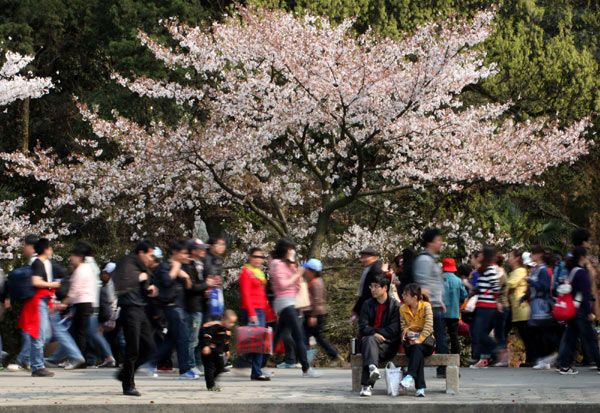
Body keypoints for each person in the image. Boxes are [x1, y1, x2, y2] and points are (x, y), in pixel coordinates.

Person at [270, 238, 321, 378]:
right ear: (286, 250)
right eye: (291, 249)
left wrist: (296, 271)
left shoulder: (289, 265)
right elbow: (282, 285)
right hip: (284, 302)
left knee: (277, 336)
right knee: (299, 335)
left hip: (292, 303)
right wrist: (297, 274)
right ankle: (306, 368)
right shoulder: (276, 264)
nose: (293, 251)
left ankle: (259, 364)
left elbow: (297, 285)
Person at [113, 240, 159, 396]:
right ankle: (128, 385)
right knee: (132, 348)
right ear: (141, 253)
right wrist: (139, 278)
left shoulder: (141, 266)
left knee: (149, 347)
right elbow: (121, 282)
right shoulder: (127, 263)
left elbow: (145, 283)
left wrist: (150, 287)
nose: (151, 258)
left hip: (140, 309)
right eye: (150, 255)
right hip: (129, 309)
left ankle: (125, 373)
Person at [145, 240, 196, 379]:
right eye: (183, 253)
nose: (185, 255)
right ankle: (184, 370)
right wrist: (176, 269)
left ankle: (150, 361)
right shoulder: (165, 266)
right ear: (174, 252)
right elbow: (166, 281)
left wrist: (185, 276)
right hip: (171, 307)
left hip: (180, 306)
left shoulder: (182, 267)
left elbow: (188, 287)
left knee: (171, 341)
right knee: (183, 339)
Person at [18, 238, 61, 377]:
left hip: (41, 301)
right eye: (50, 248)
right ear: (46, 249)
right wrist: (52, 284)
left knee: (43, 334)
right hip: (37, 302)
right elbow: (35, 281)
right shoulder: (37, 263)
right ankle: (37, 366)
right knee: (38, 334)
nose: (51, 251)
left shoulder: (40, 263)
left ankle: (28, 360)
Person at [557, 246, 600, 375]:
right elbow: (585, 294)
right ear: (582, 257)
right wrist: (588, 312)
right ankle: (598, 363)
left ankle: (564, 365)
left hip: (573, 309)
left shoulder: (572, 271)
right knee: (590, 338)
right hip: (581, 310)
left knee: (570, 338)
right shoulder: (581, 273)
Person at [412, 229, 447, 378]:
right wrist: (430, 305)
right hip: (430, 306)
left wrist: (439, 301)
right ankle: (444, 367)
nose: (440, 243)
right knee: (437, 338)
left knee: (439, 337)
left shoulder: (431, 260)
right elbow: (423, 286)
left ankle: (443, 368)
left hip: (435, 304)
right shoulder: (424, 261)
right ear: (430, 242)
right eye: (438, 240)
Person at [358, 275, 400, 397]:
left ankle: (367, 385)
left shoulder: (395, 306)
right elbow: (363, 326)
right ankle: (372, 369)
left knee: (369, 341)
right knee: (369, 342)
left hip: (388, 345)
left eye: (376, 286)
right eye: (371, 286)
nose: (373, 289)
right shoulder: (367, 304)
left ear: (385, 288)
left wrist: (375, 334)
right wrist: (375, 334)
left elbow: (394, 329)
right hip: (370, 343)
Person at [238, 247, 272, 381]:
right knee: (257, 342)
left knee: (258, 342)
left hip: (261, 310)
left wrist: (268, 312)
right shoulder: (246, 272)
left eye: (261, 257)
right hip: (251, 310)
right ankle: (255, 370)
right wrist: (252, 313)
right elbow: (245, 294)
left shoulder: (259, 273)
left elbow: (262, 295)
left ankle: (253, 368)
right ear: (249, 257)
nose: (258, 259)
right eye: (255, 256)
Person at [7, 234, 38, 372]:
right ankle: (27, 360)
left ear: (32, 247)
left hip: (37, 301)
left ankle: (23, 359)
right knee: (29, 331)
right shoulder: (34, 262)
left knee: (31, 332)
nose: (23, 248)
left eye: (25, 245)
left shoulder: (37, 263)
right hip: (32, 301)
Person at [302, 258, 342, 366]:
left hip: (316, 314)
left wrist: (313, 316)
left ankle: (306, 359)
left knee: (308, 336)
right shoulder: (316, 282)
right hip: (315, 313)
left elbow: (317, 300)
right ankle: (332, 355)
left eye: (307, 270)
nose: (305, 271)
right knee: (313, 336)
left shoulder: (316, 283)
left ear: (313, 272)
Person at [184, 238, 215, 377]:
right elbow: (190, 288)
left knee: (203, 336)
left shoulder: (202, 263)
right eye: (200, 248)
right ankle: (190, 365)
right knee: (193, 338)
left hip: (204, 305)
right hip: (193, 306)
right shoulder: (188, 265)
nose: (203, 250)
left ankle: (197, 362)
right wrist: (206, 285)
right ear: (193, 250)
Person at [526, 245, 561, 370]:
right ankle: (544, 357)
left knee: (544, 332)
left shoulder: (543, 270)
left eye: (533, 253)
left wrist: (531, 281)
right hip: (535, 304)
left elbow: (545, 286)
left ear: (539, 255)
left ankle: (550, 356)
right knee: (538, 332)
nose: (531, 256)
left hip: (542, 305)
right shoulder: (535, 269)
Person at [399, 283, 435, 397]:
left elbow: (429, 326)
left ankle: (411, 377)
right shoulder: (402, 309)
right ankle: (419, 388)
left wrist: (419, 339)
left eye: (406, 295)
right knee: (416, 350)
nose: (403, 297)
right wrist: (408, 333)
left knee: (418, 348)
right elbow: (403, 326)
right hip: (410, 343)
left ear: (414, 297)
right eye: (403, 295)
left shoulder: (426, 306)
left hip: (426, 343)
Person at [470, 245, 500, 369]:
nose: (479, 255)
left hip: (488, 306)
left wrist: (497, 301)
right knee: (481, 332)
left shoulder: (491, 269)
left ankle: (498, 350)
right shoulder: (484, 269)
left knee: (480, 333)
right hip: (482, 305)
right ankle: (484, 358)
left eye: (481, 253)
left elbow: (495, 286)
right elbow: (481, 288)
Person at [64, 241, 96, 357]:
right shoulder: (84, 268)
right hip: (84, 302)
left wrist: (64, 303)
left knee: (79, 332)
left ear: (80, 257)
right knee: (79, 331)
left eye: (73, 255)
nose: (71, 258)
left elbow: (74, 290)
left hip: (82, 302)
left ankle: (80, 358)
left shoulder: (81, 270)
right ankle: (78, 357)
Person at [507, 249, 534, 367]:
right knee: (525, 336)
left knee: (527, 336)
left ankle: (532, 359)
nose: (508, 259)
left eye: (510, 256)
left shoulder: (520, 271)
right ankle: (530, 359)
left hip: (522, 309)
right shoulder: (516, 272)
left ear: (517, 258)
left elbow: (510, 284)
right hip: (517, 310)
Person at [201, 309, 238, 391]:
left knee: (220, 366)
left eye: (233, 322)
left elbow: (225, 341)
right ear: (223, 320)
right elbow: (207, 335)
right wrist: (206, 346)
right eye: (230, 322)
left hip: (218, 352)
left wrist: (227, 350)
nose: (231, 324)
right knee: (209, 367)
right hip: (209, 351)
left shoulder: (227, 331)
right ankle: (210, 385)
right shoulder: (216, 327)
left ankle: (211, 379)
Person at [441, 258, 467, 355]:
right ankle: (455, 357)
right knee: (454, 336)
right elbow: (464, 296)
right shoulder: (458, 281)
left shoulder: (439, 279)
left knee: (441, 335)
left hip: (441, 313)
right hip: (454, 312)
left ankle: (442, 356)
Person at [351, 247, 383, 322]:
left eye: (364, 257)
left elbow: (367, 292)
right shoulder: (368, 269)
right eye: (361, 257)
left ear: (372, 258)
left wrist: (358, 309)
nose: (361, 260)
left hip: (371, 307)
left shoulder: (375, 270)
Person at [493, 253, 510, 367]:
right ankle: (499, 358)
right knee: (498, 332)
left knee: (499, 333)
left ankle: (503, 359)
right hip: (500, 305)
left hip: (501, 305)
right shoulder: (500, 272)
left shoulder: (499, 273)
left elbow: (496, 290)